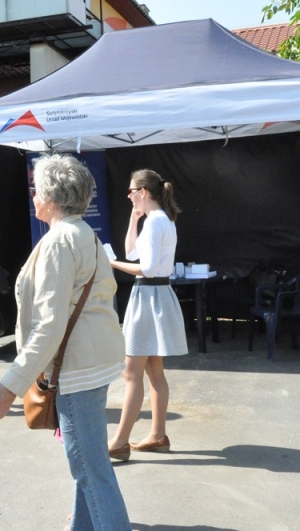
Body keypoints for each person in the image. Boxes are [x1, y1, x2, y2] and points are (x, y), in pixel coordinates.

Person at [0, 153, 130, 531]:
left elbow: (50, 326)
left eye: (36, 190)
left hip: (78, 367)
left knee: (92, 471)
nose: (33, 196)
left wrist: (11, 385)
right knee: (88, 467)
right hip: (93, 361)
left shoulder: (59, 241)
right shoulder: (84, 234)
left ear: (51, 198)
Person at [107, 168, 188, 461]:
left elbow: (148, 268)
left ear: (142, 192)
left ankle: (120, 442)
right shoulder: (158, 219)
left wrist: (111, 263)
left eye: (131, 191)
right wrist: (133, 219)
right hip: (155, 296)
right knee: (154, 372)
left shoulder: (156, 222)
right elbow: (132, 254)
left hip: (149, 296)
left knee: (132, 372)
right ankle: (157, 435)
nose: (128, 196)